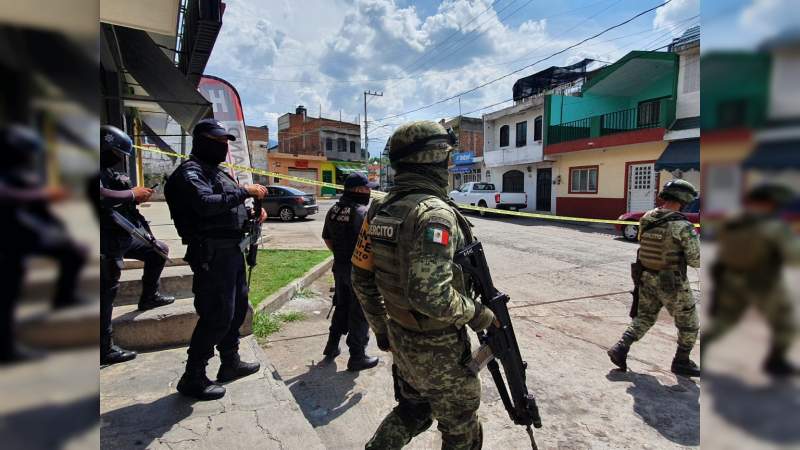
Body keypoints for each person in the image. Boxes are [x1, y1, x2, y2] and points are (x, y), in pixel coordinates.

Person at [352, 121, 496, 449]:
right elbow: (430, 295)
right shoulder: (434, 215)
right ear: (433, 161)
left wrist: (383, 330)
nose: (448, 167)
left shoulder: (381, 209)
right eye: (446, 159)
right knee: (461, 429)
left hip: (402, 338)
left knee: (413, 410)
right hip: (439, 346)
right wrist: (481, 315)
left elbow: (360, 278)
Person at [164, 119, 268, 400]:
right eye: (218, 142)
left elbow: (226, 208)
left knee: (235, 311)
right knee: (217, 315)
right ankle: (193, 376)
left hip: (230, 250)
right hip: (210, 253)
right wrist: (246, 191)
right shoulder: (190, 174)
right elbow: (206, 204)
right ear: (202, 141)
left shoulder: (216, 172)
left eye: (226, 142)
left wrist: (251, 214)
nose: (223, 147)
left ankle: (230, 362)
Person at [0, 125, 87, 363]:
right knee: (7, 291)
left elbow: (41, 210)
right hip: (7, 241)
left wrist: (62, 234)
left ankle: (64, 296)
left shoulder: (21, 173)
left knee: (75, 253)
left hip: (22, 234)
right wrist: (43, 195)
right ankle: (6, 348)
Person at [607, 179, 701, 377]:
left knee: (644, 317)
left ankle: (620, 348)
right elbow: (695, 260)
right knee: (689, 324)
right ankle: (681, 361)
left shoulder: (647, 217)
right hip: (672, 283)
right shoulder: (682, 225)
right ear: (683, 199)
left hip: (646, 277)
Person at [99, 125, 175, 365]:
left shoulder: (108, 171)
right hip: (102, 239)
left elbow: (125, 205)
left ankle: (150, 296)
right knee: (105, 291)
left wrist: (135, 199)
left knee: (159, 251)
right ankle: (104, 346)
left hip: (122, 233)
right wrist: (132, 194)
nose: (120, 159)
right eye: (117, 153)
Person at [704, 183, 799, 376]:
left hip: (731, 279)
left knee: (725, 320)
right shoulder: (774, 227)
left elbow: (721, 251)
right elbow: (794, 256)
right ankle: (775, 362)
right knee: (784, 323)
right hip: (762, 282)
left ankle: (702, 349)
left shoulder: (733, 221)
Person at [321, 172, 379, 371]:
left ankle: (332, 345)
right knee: (360, 312)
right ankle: (357, 356)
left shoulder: (334, 209)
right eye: (367, 188)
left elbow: (327, 238)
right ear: (358, 190)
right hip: (359, 271)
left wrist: (341, 255)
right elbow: (371, 247)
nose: (370, 191)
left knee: (341, 305)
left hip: (340, 267)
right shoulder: (362, 212)